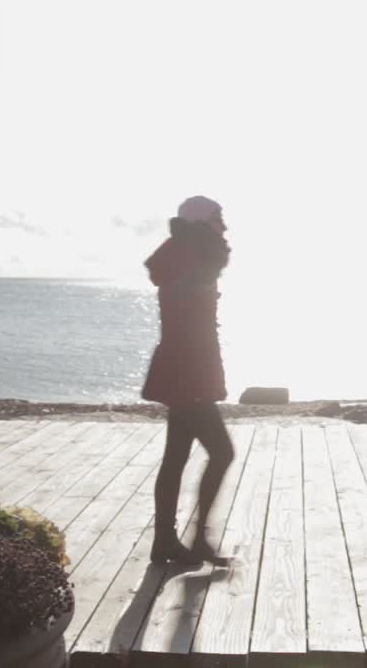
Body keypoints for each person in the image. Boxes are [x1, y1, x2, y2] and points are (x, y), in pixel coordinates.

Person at [141, 195, 233, 565]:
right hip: (188, 372)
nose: (224, 226)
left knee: (175, 457)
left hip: (183, 369)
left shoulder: (187, 256)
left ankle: (166, 541)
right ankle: (197, 541)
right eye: (218, 218)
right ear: (202, 223)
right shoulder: (194, 261)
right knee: (222, 452)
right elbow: (184, 316)